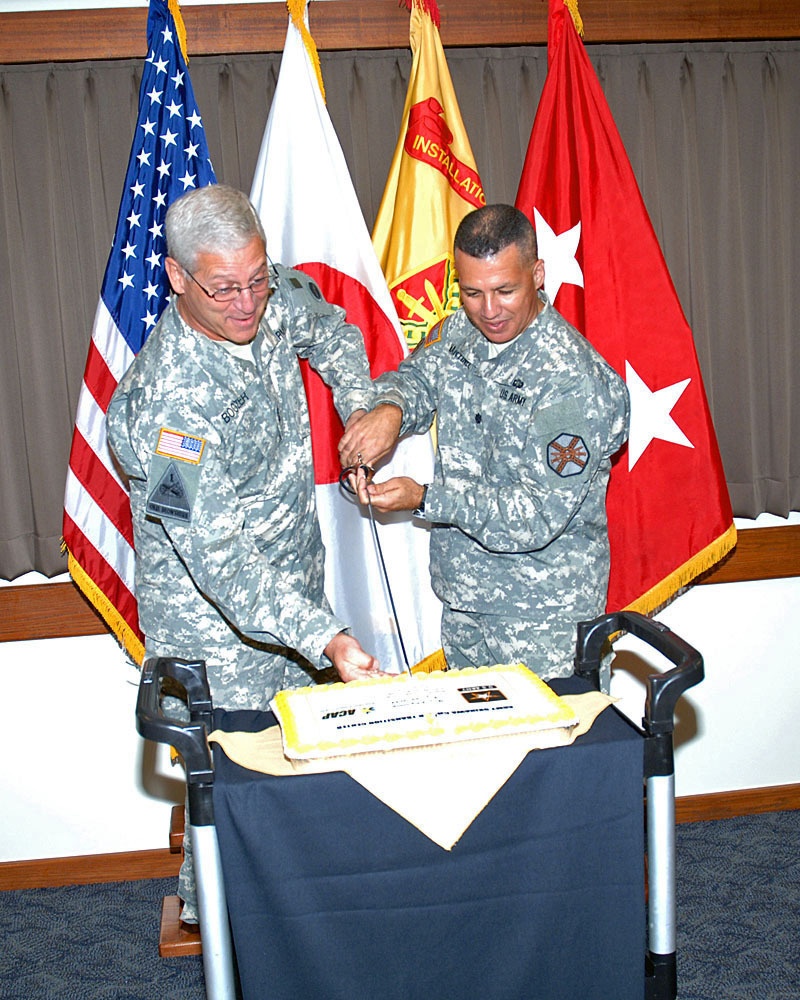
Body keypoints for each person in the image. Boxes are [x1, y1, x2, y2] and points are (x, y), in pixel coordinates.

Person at [107, 184, 384, 921]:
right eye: (224, 287)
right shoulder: (168, 410)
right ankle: (226, 939)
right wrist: (322, 633)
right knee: (232, 800)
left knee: (303, 785)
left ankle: (300, 927)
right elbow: (220, 559)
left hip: (293, 593)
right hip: (216, 632)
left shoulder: (267, 291)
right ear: (175, 278)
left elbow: (331, 331)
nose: (248, 303)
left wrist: (356, 404)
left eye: (257, 278)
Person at [340, 203, 629, 679]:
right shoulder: (462, 332)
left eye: (505, 290)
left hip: (541, 622)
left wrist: (425, 499)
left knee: (549, 754)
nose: (489, 311)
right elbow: (418, 377)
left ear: (537, 274)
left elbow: (534, 517)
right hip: (464, 606)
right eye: (472, 292)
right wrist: (391, 410)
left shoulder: (570, 381)